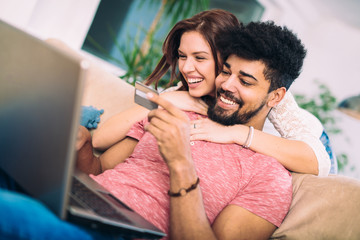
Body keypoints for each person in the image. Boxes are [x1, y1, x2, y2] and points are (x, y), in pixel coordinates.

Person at [0, 20, 304, 239]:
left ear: (275, 96)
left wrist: (181, 163)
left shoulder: (270, 176)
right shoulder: (178, 111)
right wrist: (80, 145)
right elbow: (101, 168)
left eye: (246, 81)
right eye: (226, 71)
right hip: (83, 209)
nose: (227, 85)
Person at [91, 9, 333, 176]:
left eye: (200, 58)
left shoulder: (270, 98)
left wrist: (236, 133)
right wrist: (167, 99)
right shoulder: (189, 91)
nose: (186, 67)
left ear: (224, 57)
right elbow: (101, 139)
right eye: (183, 56)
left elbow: (319, 162)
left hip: (317, 143)